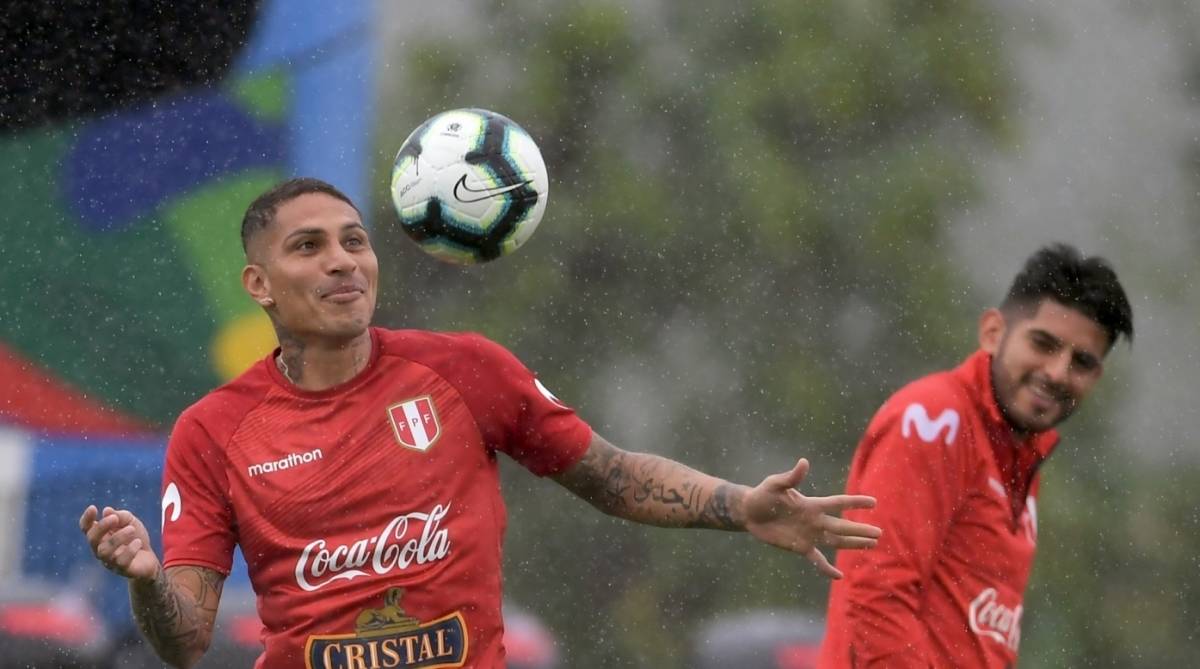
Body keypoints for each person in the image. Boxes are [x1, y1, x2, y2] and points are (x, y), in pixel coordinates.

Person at [80, 177, 882, 669]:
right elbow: (185, 639)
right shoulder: (213, 429)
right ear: (259, 281)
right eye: (309, 246)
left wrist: (740, 504)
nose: (343, 261)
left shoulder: (465, 370)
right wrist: (149, 582)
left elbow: (609, 474)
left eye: (356, 241)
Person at [817, 243, 1134, 668]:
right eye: (1043, 343)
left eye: (1081, 362)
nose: (1058, 372)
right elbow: (877, 597)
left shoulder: (1020, 452)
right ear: (992, 332)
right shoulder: (935, 421)